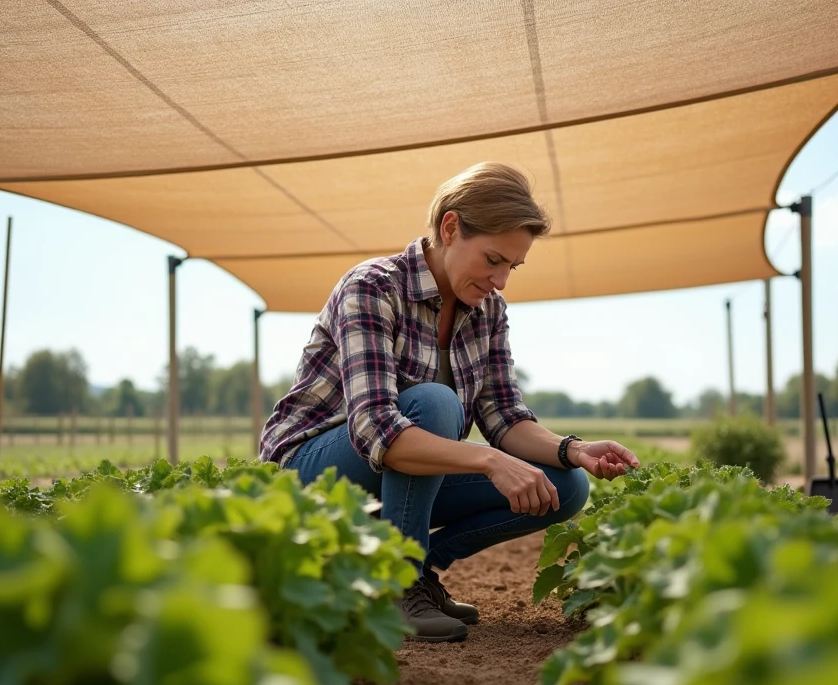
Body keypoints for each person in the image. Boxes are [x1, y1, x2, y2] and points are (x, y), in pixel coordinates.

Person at [260, 162, 639, 643]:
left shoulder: (488, 311)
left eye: (511, 267)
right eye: (493, 259)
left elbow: (505, 416)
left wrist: (573, 450)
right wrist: (489, 460)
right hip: (310, 471)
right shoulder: (373, 286)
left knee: (564, 488)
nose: (500, 281)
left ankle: (419, 573)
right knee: (435, 403)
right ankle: (395, 579)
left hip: (393, 474)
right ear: (451, 227)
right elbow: (378, 430)